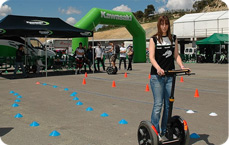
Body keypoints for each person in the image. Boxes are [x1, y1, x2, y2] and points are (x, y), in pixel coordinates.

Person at [149, 15, 190, 139]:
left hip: (170, 76)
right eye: (162, 24)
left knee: (168, 105)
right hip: (157, 76)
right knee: (158, 105)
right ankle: (155, 133)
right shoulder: (154, 39)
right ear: (158, 25)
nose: (164, 26)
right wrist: (158, 68)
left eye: (166, 24)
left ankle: (165, 130)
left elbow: (176, 55)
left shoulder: (173, 38)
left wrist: (182, 66)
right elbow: (151, 57)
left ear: (168, 25)